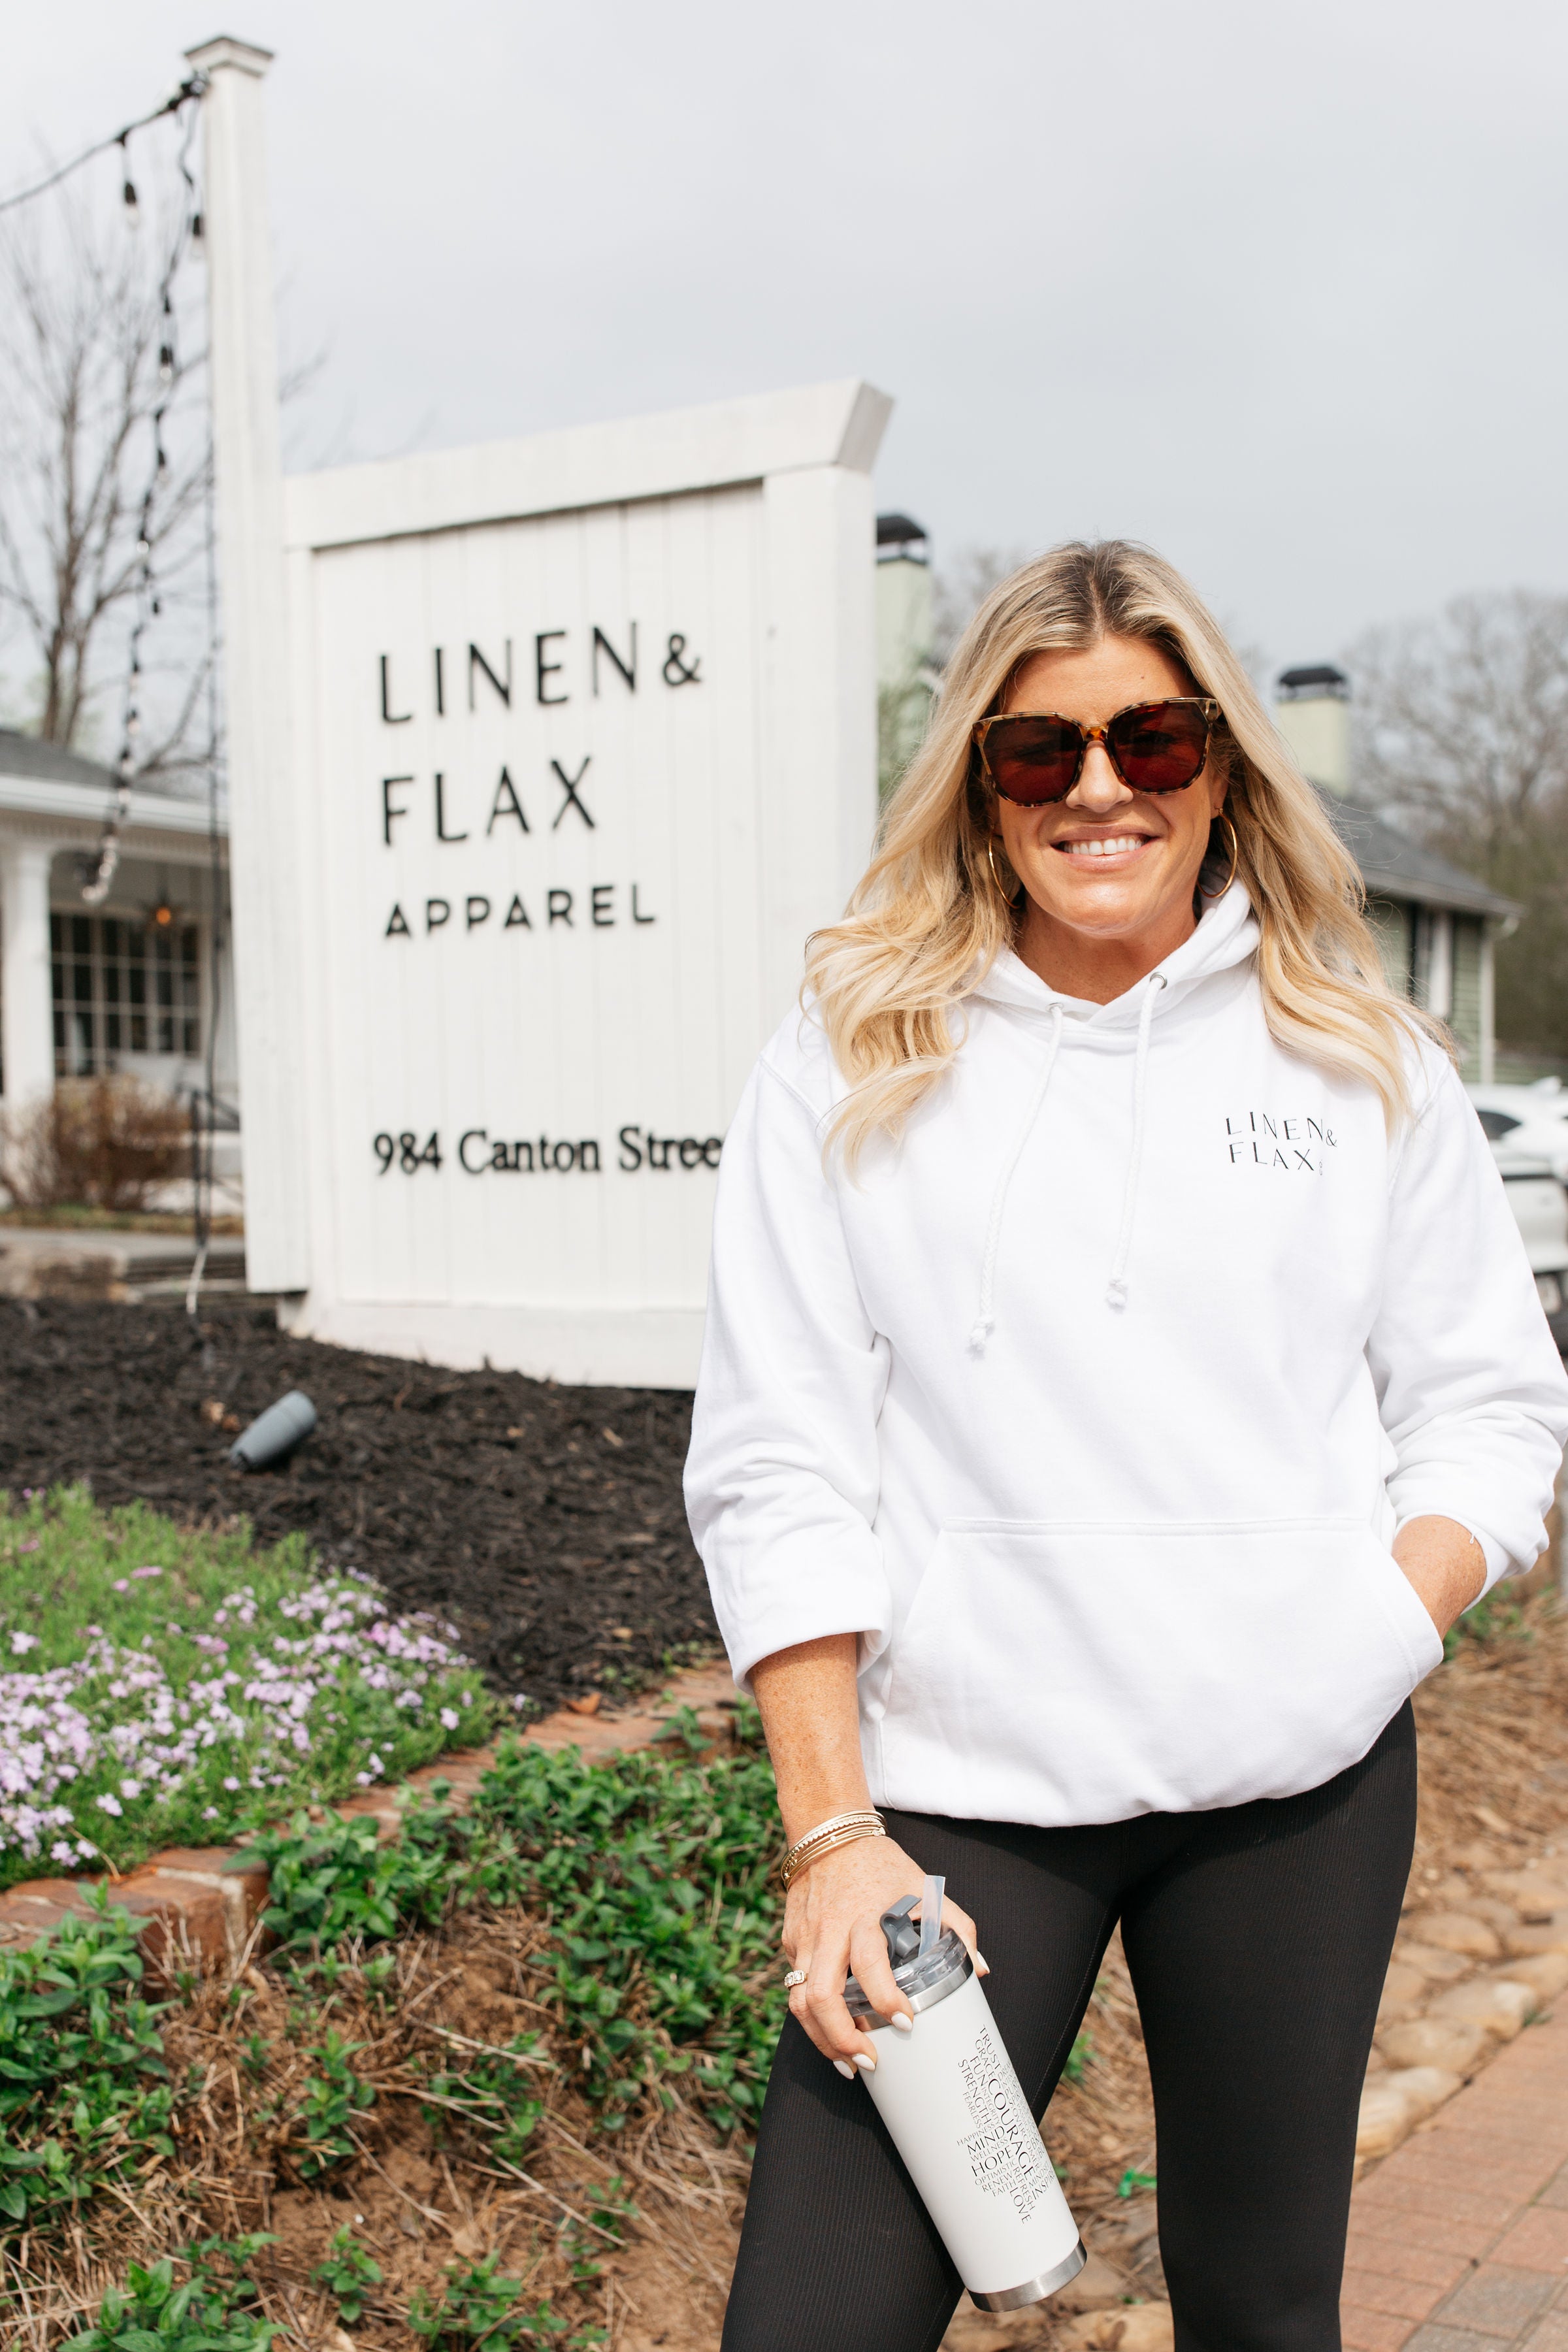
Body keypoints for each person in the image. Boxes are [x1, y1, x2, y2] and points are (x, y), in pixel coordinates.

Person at [683, 540, 1568, 2352]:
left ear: (1224, 766)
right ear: (980, 784)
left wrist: (1369, 1637)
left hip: (1291, 1793)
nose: (1100, 789)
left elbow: (1492, 1409)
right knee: (809, 2330)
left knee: (1260, 2313)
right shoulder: (852, 1055)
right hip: (957, 1802)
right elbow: (778, 1457)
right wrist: (831, 1833)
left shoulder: (1360, 1058)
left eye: (1152, 742)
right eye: (1041, 752)